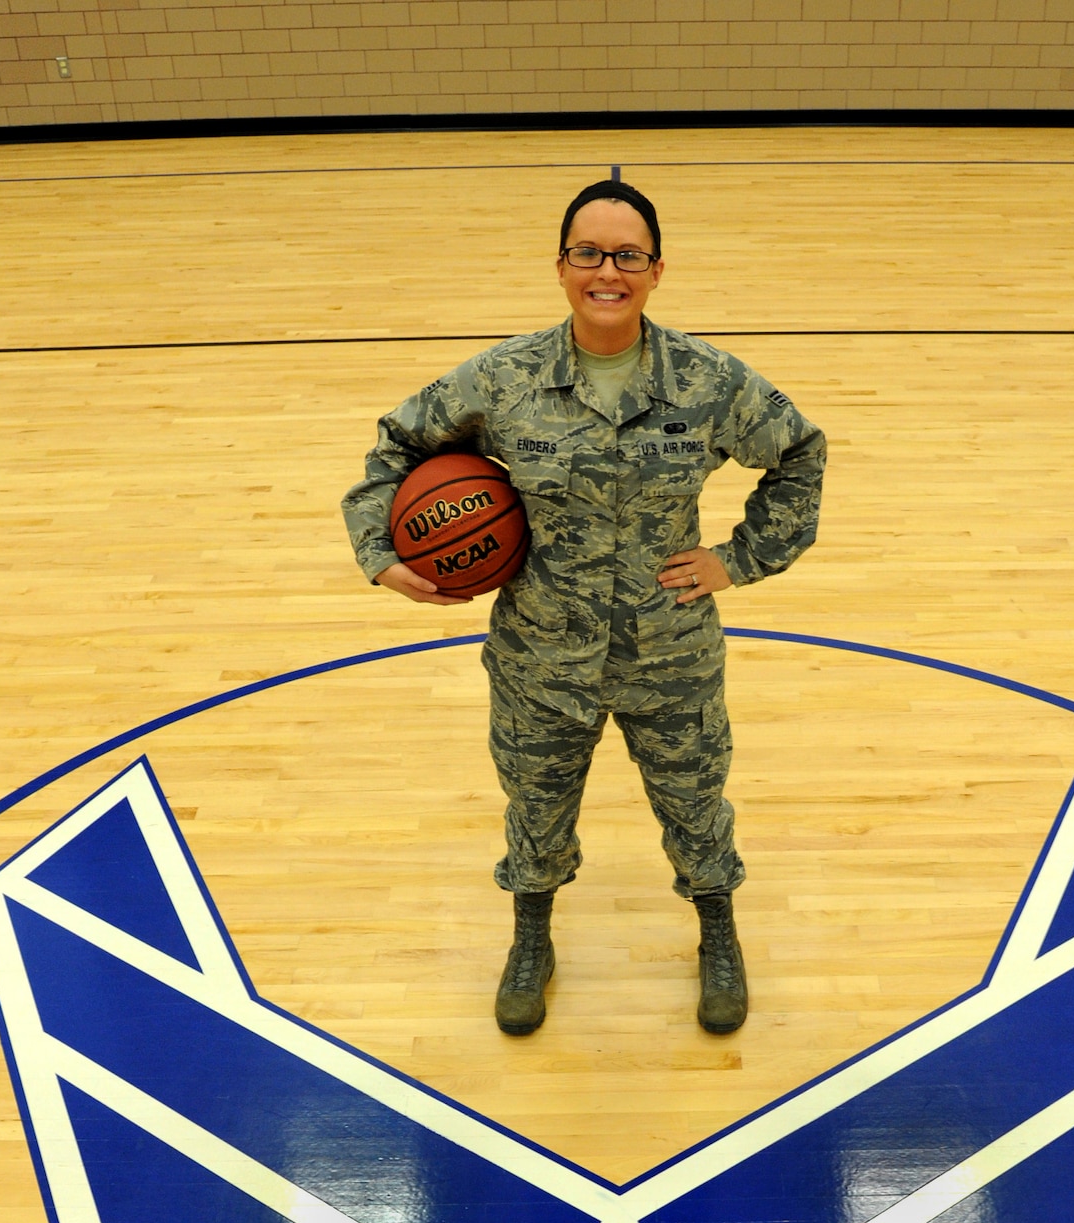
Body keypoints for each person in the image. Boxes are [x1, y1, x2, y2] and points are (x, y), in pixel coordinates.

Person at [341, 179, 825, 1037]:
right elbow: (399, 442)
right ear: (561, 266)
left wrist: (738, 560)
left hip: (669, 649)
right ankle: (532, 935)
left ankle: (717, 926)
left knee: (694, 798)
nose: (609, 271)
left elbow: (799, 453)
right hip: (539, 656)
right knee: (534, 803)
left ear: (657, 269)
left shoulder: (707, 381)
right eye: (590, 254)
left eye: (628, 255)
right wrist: (383, 555)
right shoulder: (503, 379)